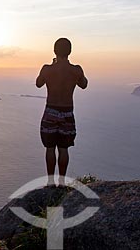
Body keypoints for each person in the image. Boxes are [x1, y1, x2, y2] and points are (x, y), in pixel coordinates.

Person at [36, 38, 88, 187]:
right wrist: (79, 74)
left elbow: (38, 83)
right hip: (67, 112)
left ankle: (50, 182)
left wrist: (51, 68)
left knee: (50, 148)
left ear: (54, 51)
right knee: (63, 149)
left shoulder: (47, 69)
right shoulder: (76, 70)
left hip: (51, 110)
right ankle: (62, 181)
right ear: (70, 51)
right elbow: (84, 85)